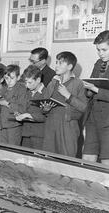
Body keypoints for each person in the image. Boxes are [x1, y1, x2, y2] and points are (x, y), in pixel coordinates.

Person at [43, 52, 88, 157]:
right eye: (56, 62)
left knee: (66, 158)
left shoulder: (79, 83)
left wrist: (68, 96)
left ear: (70, 66)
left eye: (60, 63)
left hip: (68, 125)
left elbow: (84, 107)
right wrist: (45, 108)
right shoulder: (53, 82)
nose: (56, 65)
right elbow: (44, 102)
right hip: (51, 124)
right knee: (48, 158)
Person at [83, 30, 109, 166]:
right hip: (93, 117)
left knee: (106, 160)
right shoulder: (99, 64)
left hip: (108, 120)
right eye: (98, 50)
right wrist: (87, 90)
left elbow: (96, 88)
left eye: (104, 50)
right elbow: (92, 87)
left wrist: (95, 89)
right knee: (87, 158)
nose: (100, 53)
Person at [17, 65, 48, 150]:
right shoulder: (26, 93)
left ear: (38, 80)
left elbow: (46, 116)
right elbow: (21, 107)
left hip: (39, 135)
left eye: (30, 83)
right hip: (25, 133)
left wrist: (29, 115)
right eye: (26, 82)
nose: (27, 85)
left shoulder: (47, 93)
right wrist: (18, 113)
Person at [0, 65, 28, 146]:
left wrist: (7, 104)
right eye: (7, 78)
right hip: (2, 125)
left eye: (12, 78)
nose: (9, 81)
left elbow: (22, 109)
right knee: (1, 151)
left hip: (13, 126)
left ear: (18, 78)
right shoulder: (3, 89)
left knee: (13, 152)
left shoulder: (22, 90)